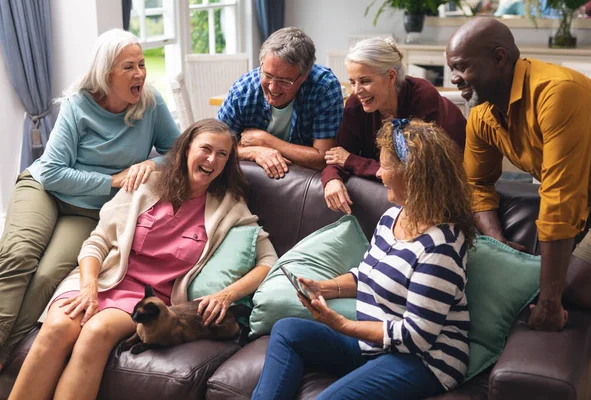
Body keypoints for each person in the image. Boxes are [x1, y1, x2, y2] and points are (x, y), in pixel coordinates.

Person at [8, 118, 278, 400]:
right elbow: (97, 241)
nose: (212, 159)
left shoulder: (230, 206)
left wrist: (226, 295)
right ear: (186, 149)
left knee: (96, 333)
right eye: (205, 149)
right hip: (100, 277)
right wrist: (88, 286)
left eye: (222, 154)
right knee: (57, 328)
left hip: (146, 297)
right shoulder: (146, 183)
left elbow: (268, 260)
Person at [252, 119, 475, 400]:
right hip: (375, 345)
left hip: (425, 361)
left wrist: (342, 325)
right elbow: (367, 274)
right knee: (287, 330)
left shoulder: (440, 247)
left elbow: (416, 336)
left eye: (386, 166)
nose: (379, 174)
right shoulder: (393, 216)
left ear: (413, 175)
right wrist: (324, 288)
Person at [0, 28, 180, 370]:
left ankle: (7, 359)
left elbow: (176, 151)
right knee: (18, 255)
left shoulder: (150, 104)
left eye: (141, 64)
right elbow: (52, 171)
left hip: (85, 210)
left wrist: (148, 162)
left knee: (47, 276)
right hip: (43, 190)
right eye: (129, 67)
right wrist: (114, 179)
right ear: (106, 72)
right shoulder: (78, 104)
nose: (140, 73)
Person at [445, 18, 591, 331]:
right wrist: (499, 244)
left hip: (584, 195)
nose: (454, 79)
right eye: (452, 68)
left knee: (578, 287)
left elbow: (560, 198)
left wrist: (549, 303)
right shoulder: (482, 115)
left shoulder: (557, 93)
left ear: (499, 58)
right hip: (585, 196)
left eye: (462, 67)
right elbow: (475, 184)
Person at [321, 37, 466, 215]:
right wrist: (331, 179)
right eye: (352, 82)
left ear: (390, 77)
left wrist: (353, 161)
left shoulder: (423, 98)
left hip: (447, 174)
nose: (356, 91)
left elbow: (416, 173)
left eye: (365, 81)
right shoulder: (355, 105)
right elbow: (337, 157)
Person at [217, 27, 344, 179]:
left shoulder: (324, 87)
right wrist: (254, 151)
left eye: (284, 81)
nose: (273, 87)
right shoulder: (242, 92)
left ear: (304, 76)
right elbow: (214, 145)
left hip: (306, 180)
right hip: (254, 178)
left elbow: (324, 159)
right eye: (267, 75)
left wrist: (266, 140)